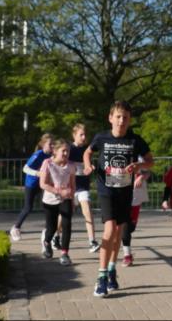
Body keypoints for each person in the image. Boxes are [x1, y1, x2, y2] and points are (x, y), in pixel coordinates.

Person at [82, 101, 154, 298]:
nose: (122, 121)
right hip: (106, 189)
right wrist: (87, 165)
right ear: (110, 118)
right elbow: (88, 152)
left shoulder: (135, 140)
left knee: (117, 232)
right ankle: (101, 277)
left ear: (130, 120)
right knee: (109, 229)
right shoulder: (102, 137)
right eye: (118, 116)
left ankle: (112, 269)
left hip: (125, 191)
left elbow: (150, 161)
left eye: (126, 117)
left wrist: (139, 166)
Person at [10, 133, 52, 242]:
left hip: (43, 185)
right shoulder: (38, 155)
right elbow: (25, 168)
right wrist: (38, 173)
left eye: (53, 144)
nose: (52, 146)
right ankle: (15, 228)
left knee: (48, 207)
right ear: (43, 144)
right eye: (50, 144)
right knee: (28, 208)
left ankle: (48, 231)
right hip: (31, 184)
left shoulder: (51, 156)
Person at [39, 137, 75, 265]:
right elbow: (43, 184)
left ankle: (64, 253)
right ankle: (47, 242)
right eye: (63, 151)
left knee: (67, 224)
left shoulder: (71, 166)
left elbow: (72, 185)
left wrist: (72, 199)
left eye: (68, 151)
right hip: (50, 200)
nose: (66, 153)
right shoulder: (47, 163)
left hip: (66, 199)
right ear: (55, 151)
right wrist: (58, 191)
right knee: (52, 228)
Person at [69, 123, 100, 253]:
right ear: (74, 135)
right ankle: (55, 236)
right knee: (66, 215)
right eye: (81, 135)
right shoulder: (69, 149)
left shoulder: (87, 150)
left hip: (83, 186)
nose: (84, 137)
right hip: (70, 187)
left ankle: (92, 241)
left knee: (87, 211)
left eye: (85, 135)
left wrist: (90, 167)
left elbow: (87, 165)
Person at [121, 163, 151, 267]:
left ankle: (126, 250)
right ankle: (127, 255)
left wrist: (141, 177)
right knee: (124, 227)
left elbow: (148, 171)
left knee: (131, 228)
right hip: (121, 196)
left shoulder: (138, 157)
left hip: (135, 197)